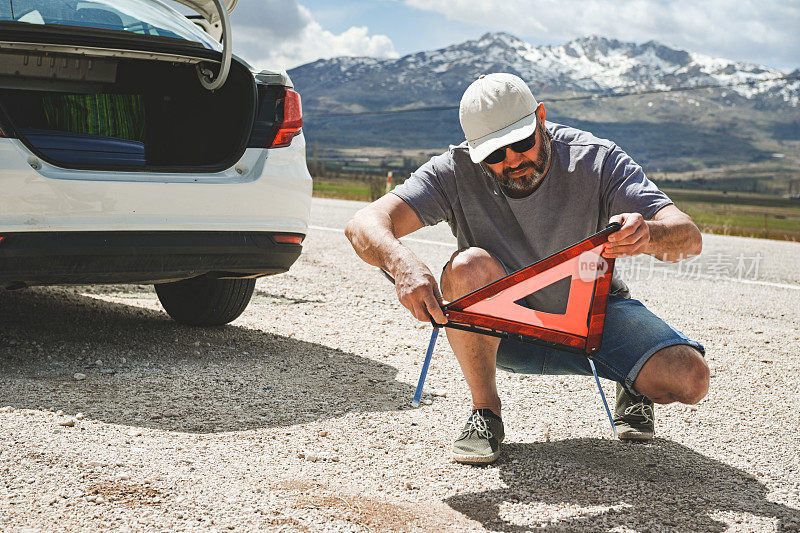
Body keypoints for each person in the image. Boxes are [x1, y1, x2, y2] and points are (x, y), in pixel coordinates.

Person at [345, 73, 709, 465]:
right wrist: (403, 265)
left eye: (521, 143)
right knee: (468, 266)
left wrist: (648, 234)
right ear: (475, 150)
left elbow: (689, 237)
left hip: (593, 318)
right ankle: (485, 412)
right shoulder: (453, 170)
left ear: (541, 117)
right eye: (494, 154)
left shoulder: (597, 159)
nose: (512, 160)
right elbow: (362, 224)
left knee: (689, 380)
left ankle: (630, 380)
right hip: (504, 329)